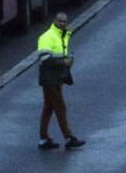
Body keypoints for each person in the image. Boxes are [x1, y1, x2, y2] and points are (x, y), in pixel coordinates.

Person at [37, 13, 85, 150]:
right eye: (60, 21)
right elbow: (44, 58)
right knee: (60, 107)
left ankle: (43, 139)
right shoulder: (47, 36)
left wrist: (67, 63)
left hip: (55, 78)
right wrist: (63, 62)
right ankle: (69, 137)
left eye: (65, 21)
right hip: (50, 79)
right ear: (54, 21)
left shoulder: (61, 35)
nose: (63, 23)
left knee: (49, 108)